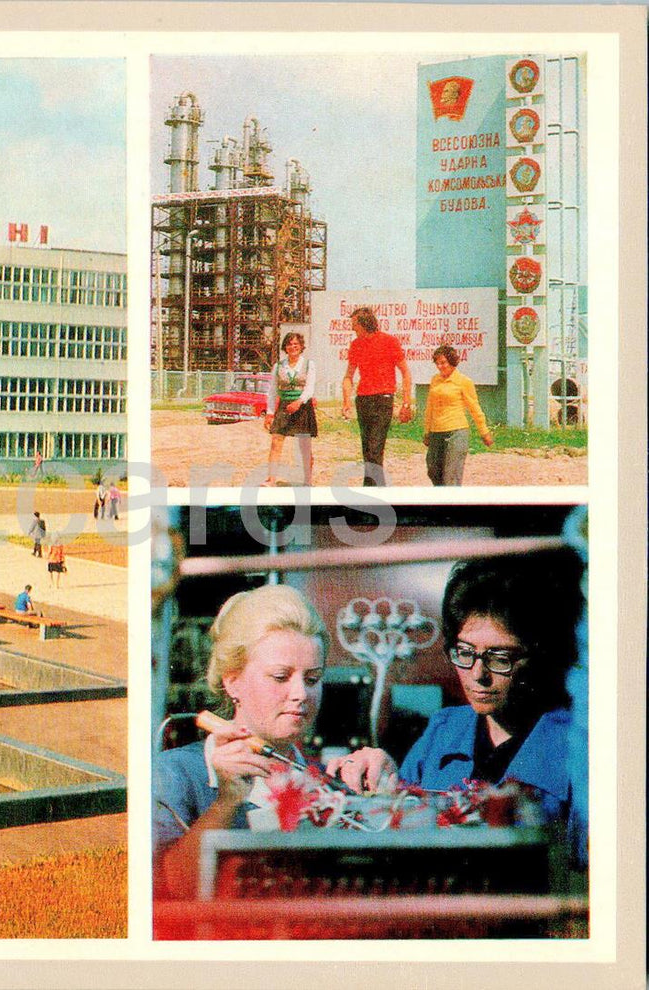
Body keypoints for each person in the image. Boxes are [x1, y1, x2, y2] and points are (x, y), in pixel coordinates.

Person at [328, 554, 584, 863]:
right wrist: (388, 786)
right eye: (464, 653)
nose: (478, 675)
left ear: (538, 655)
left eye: (500, 657)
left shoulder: (575, 745)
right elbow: (401, 839)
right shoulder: (443, 730)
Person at [153, 585, 363, 860]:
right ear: (232, 681)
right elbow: (168, 889)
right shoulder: (174, 775)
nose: (301, 694)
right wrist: (226, 803)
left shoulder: (329, 783)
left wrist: (382, 794)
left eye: (312, 679)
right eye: (280, 676)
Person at [339, 306, 413, 486]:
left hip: (383, 400)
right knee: (368, 451)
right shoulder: (355, 345)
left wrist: (406, 403)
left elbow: (405, 373)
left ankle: (371, 493)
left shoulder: (389, 341)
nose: (352, 328)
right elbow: (348, 376)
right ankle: (375, 492)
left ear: (365, 324)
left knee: (374, 448)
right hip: (363, 400)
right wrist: (346, 401)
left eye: (354, 324)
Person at [422, 344, 493, 486]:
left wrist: (484, 432)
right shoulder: (435, 380)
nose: (440, 366)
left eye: (443, 362)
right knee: (433, 470)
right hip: (436, 432)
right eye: (437, 363)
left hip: (457, 432)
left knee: (451, 475)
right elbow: (430, 407)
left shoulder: (464, 381)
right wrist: (427, 431)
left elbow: (475, 408)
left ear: (452, 361)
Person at [263, 331, 317, 486]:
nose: (293, 347)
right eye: (289, 344)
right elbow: (272, 391)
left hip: (302, 407)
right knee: (276, 441)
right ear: (285, 347)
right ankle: (271, 479)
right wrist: (270, 413)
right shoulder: (278, 366)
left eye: (296, 344)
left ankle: (308, 480)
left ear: (301, 347)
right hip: (284, 406)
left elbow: (309, 388)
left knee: (304, 445)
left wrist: (299, 402)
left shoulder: (308, 365)